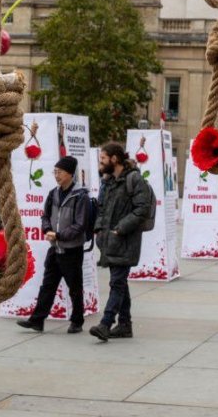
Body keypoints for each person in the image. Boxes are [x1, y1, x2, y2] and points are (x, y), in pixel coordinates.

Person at [17, 156, 89, 334]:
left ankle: (77, 321)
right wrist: (47, 229)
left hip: (72, 249)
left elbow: (80, 225)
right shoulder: (53, 193)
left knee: (75, 288)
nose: (56, 175)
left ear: (70, 174)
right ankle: (37, 320)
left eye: (60, 172)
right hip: (55, 248)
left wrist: (59, 235)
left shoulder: (80, 196)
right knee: (48, 285)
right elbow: (45, 216)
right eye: (55, 172)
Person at [89, 143, 152, 342]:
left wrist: (120, 228)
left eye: (103, 159)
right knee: (120, 282)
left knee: (117, 282)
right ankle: (125, 325)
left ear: (114, 159)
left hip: (125, 240)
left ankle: (106, 324)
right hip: (109, 240)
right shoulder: (108, 182)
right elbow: (101, 208)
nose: (100, 163)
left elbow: (142, 209)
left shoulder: (134, 179)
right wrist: (99, 229)